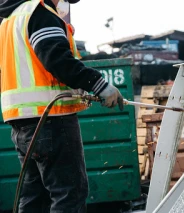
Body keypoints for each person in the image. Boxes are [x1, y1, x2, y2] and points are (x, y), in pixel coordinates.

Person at [0, 0, 123, 212]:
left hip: (21, 123)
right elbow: (58, 60)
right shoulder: (39, 14)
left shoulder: (10, 19)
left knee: (33, 199)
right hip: (51, 120)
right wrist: (99, 84)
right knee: (69, 195)